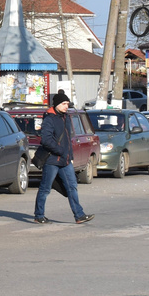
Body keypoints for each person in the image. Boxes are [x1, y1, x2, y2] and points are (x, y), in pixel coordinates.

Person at [33, 90, 94, 225]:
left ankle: (79, 215)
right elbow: (46, 140)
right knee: (45, 188)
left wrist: (70, 155)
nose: (66, 106)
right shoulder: (49, 119)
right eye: (64, 104)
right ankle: (39, 215)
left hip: (65, 160)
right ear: (56, 105)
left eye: (67, 103)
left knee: (72, 186)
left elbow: (68, 139)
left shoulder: (66, 117)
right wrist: (61, 151)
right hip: (52, 160)